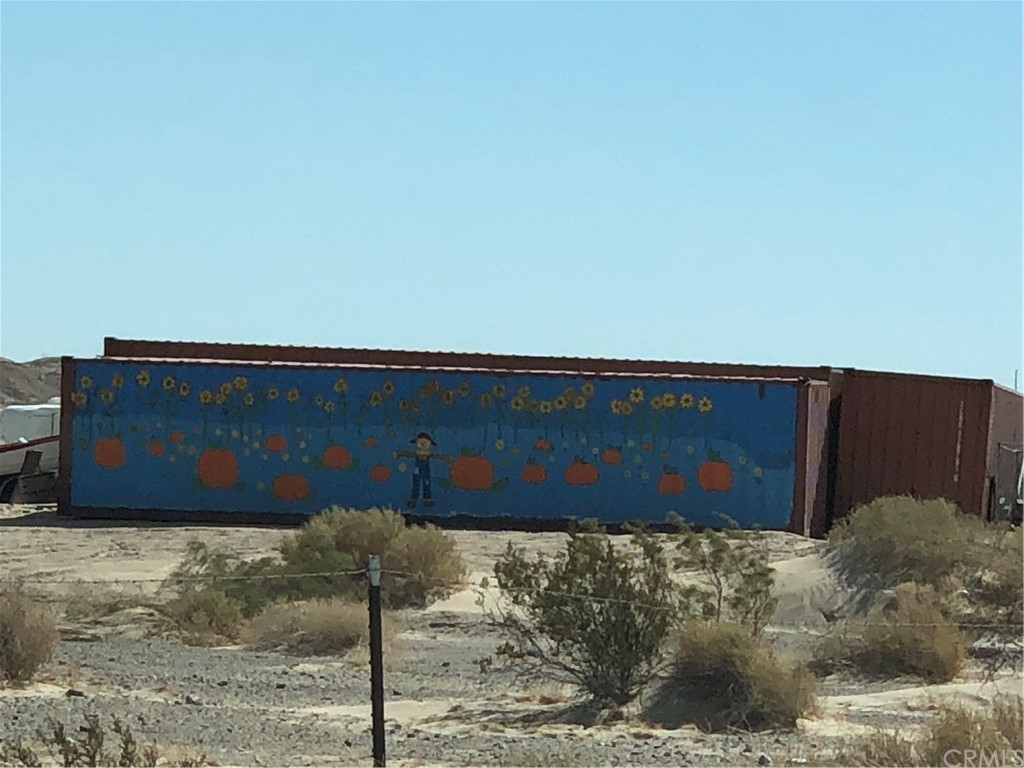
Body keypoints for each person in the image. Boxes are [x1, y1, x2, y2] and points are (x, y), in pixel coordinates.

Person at [393, 432, 450, 508]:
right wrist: (399, 454)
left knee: (426, 483)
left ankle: (427, 498)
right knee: (416, 483)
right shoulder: (417, 453)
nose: (422, 445)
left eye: (425, 443)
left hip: (425, 470)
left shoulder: (428, 454)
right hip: (417, 469)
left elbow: (436, 456)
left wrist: (445, 457)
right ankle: (414, 499)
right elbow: (408, 454)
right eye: (420, 442)